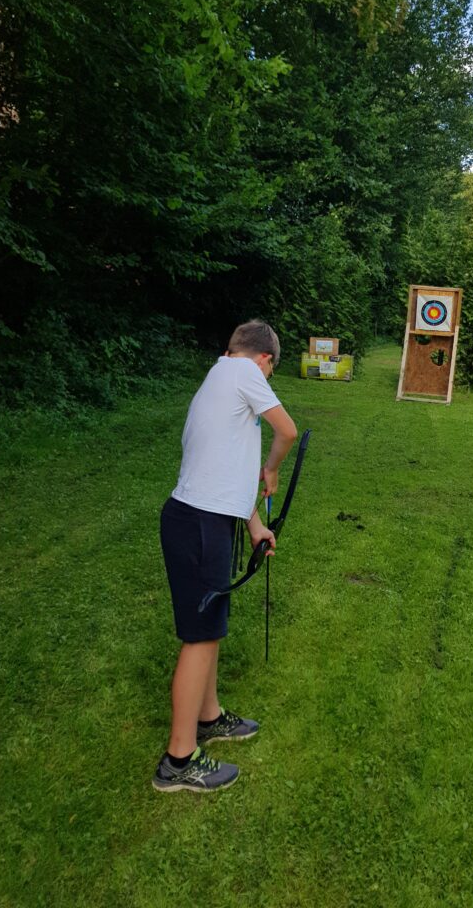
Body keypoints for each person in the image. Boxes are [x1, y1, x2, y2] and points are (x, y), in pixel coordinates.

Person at [152, 320, 297, 793]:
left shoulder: (217, 376)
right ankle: (178, 760)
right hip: (198, 525)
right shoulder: (245, 373)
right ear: (265, 360)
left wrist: (255, 526)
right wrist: (271, 470)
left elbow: (221, 469)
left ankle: (209, 717)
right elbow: (287, 431)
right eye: (270, 372)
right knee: (199, 638)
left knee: (209, 631)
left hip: (198, 519)